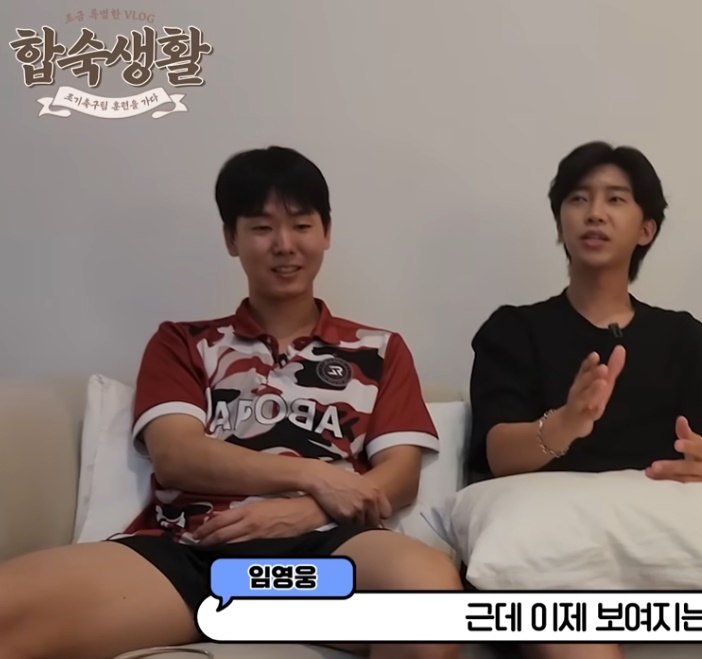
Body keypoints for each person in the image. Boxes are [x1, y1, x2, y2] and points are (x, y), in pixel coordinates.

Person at [0, 146, 462, 659]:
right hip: (191, 554)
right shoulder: (183, 342)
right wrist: (315, 476)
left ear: (326, 232)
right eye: (261, 228)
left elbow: (399, 475)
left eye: (301, 225)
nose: (284, 245)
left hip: (326, 550)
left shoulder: (378, 349)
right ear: (231, 239)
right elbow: (178, 455)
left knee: (429, 601)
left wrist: (305, 512)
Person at [466, 140, 702, 659]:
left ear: (646, 229)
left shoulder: (685, 339)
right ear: (560, 222)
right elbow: (497, 454)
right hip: (554, 553)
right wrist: (565, 422)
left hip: (674, 541)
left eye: (615, 199)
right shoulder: (514, 330)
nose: (595, 213)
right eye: (579, 199)